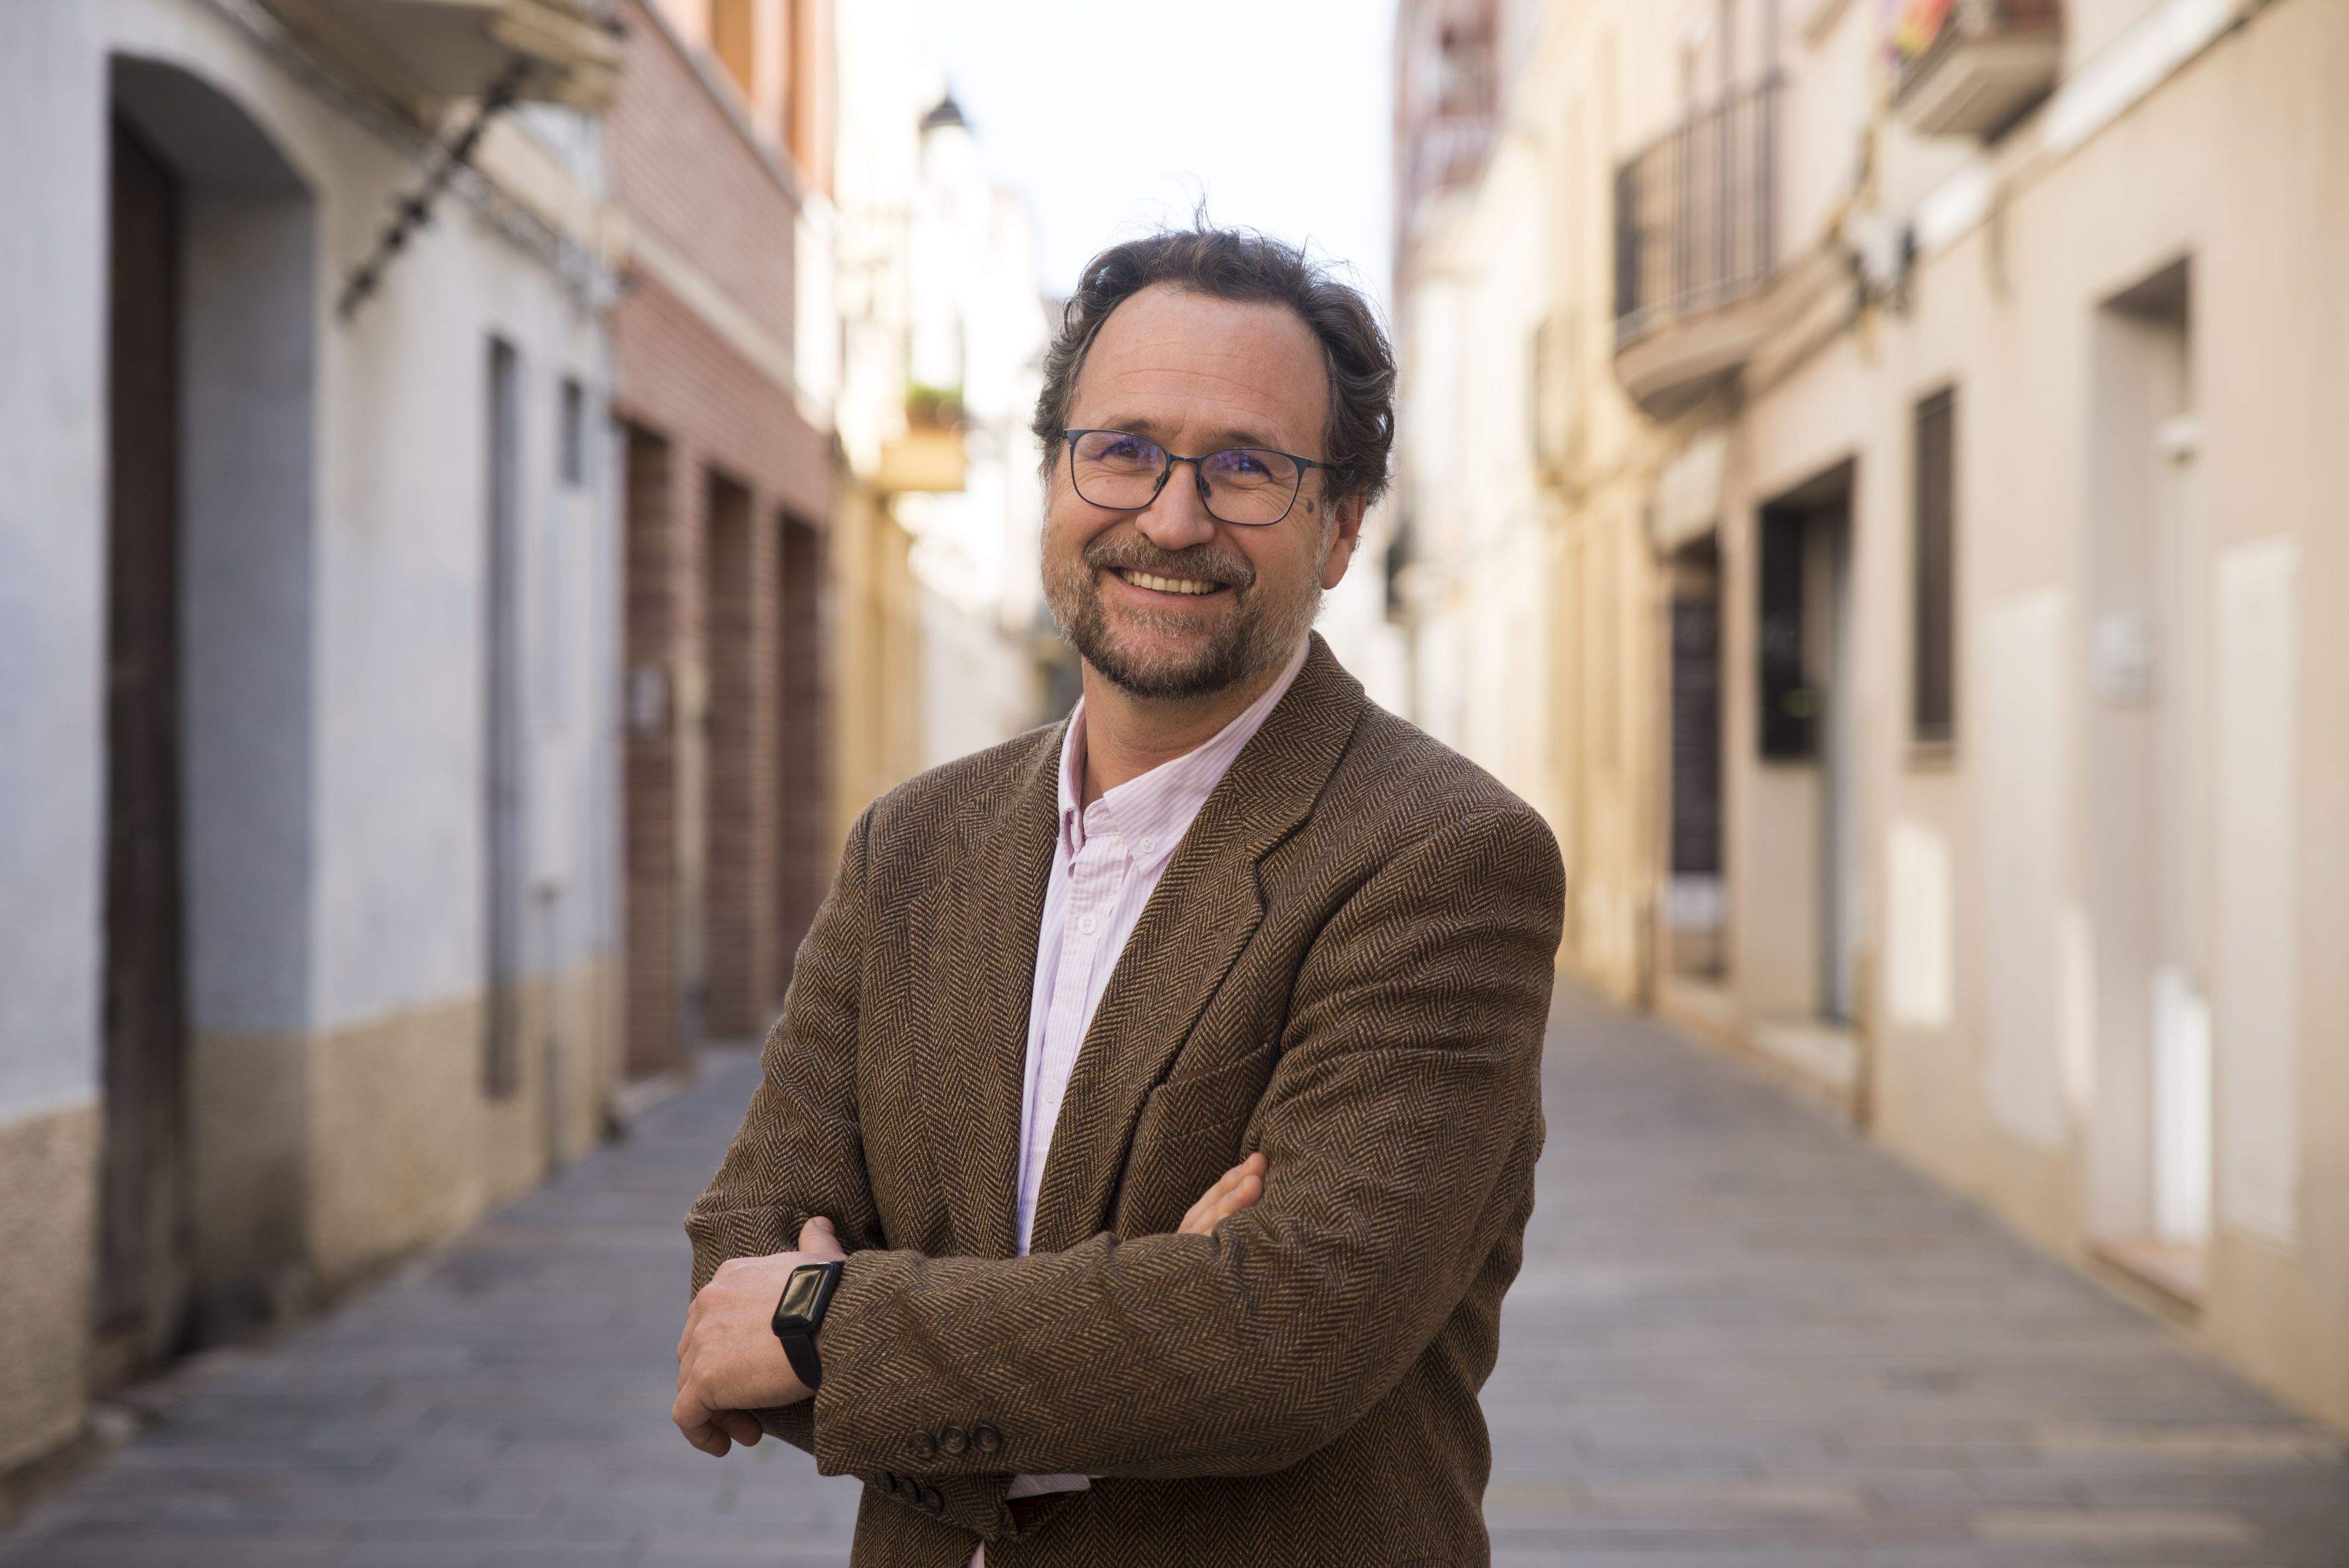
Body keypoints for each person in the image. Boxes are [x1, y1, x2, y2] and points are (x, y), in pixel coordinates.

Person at [673, 225, 1564, 1567]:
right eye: (1124, 448)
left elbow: (1283, 1338)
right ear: (1053, 475)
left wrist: (825, 1323)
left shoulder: (1440, 857)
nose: (1170, 516)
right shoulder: (908, 846)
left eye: (1246, 468)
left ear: (1338, 531)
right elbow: (736, 1250)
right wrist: (1139, 1323)